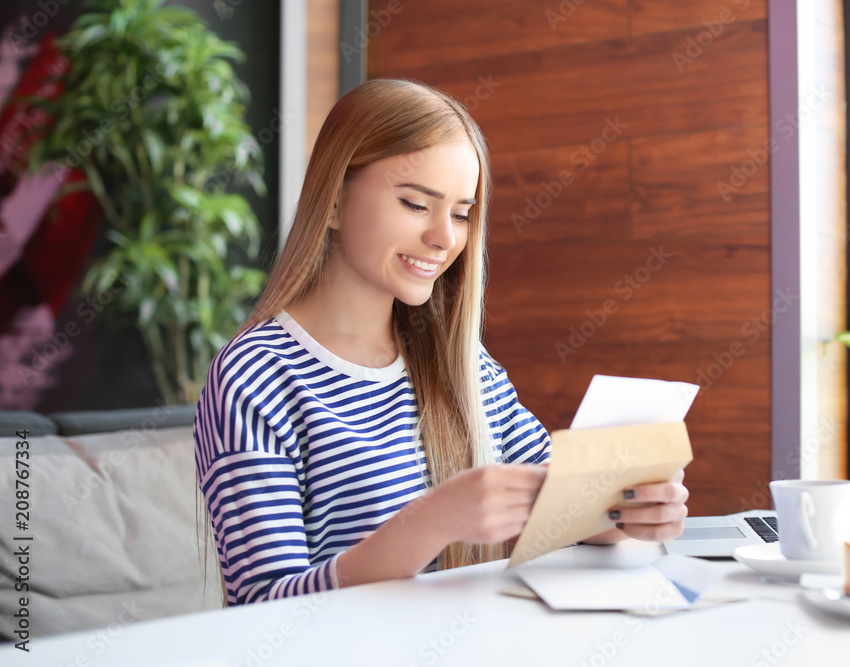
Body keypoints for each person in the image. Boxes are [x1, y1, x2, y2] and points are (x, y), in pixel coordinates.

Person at [193, 78, 689, 606]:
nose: (446, 238)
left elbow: (556, 511)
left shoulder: (462, 364)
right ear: (333, 202)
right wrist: (431, 521)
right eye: (414, 203)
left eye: (460, 213)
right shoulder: (254, 375)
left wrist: (625, 511)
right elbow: (262, 605)